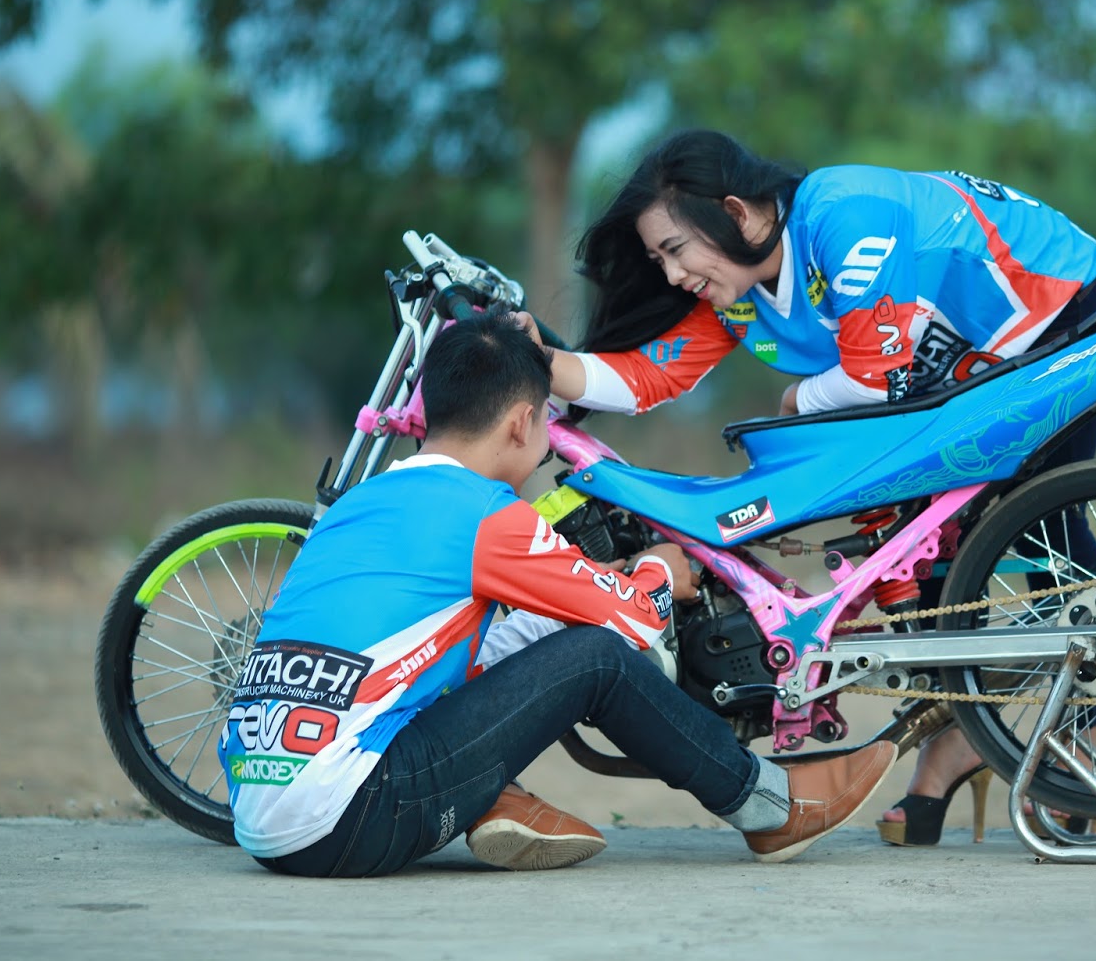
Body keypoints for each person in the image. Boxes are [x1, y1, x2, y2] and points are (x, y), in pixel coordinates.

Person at [519, 129, 1096, 847]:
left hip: (1055, 309)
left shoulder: (841, 213)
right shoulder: (739, 297)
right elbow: (653, 378)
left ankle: (1089, 742)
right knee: (919, 553)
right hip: (959, 366)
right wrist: (537, 363)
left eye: (675, 251)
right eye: (658, 261)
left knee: (1042, 528)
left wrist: (794, 403)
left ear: (736, 213)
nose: (672, 277)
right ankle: (965, 729)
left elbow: (873, 379)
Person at [218, 311, 898, 877]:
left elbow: (459, 650)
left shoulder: (359, 504)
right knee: (596, 658)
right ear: (520, 422)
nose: (545, 441)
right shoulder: (487, 515)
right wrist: (660, 570)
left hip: (260, 804)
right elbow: (632, 624)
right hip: (351, 817)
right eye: (545, 422)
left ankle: (495, 798)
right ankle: (773, 809)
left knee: (524, 640)